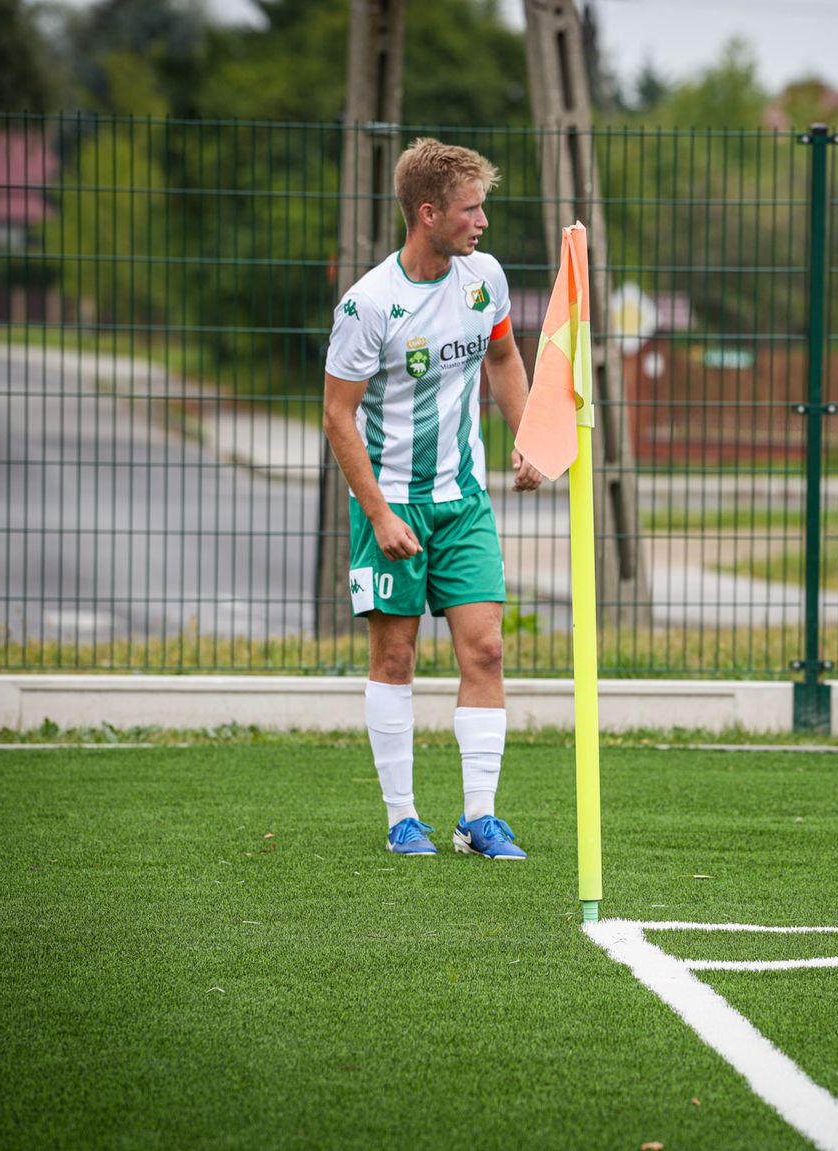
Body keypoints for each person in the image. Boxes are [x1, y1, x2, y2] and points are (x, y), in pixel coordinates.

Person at [323, 138, 541, 860]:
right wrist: (379, 512)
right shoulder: (369, 304)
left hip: (464, 502)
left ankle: (479, 817)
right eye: (470, 209)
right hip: (393, 507)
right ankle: (402, 818)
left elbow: (503, 356)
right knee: (395, 660)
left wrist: (530, 432)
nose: (483, 222)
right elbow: (337, 414)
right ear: (428, 213)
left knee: (486, 649)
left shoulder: (485, 280)